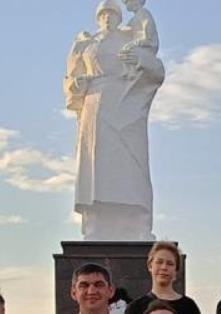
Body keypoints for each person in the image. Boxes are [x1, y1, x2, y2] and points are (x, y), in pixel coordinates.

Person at [64, 0, 164, 241]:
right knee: (95, 168)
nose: (108, 18)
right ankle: (95, 223)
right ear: (98, 18)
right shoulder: (87, 43)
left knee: (132, 165)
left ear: (120, 17)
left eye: (112, 14)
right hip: (94, 108)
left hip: (127, 103)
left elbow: (156, 70)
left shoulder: (131, 38)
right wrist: (77, 85)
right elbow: (71, 81)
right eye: (103, 14)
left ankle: (137, 224)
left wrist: (139, 58)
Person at [122, 240, 207, 314]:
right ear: (150, 266)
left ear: (176, 271)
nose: (164, 267)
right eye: (159, 262)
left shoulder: (189, 306)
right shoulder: (135, 308)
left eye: (170, 264)